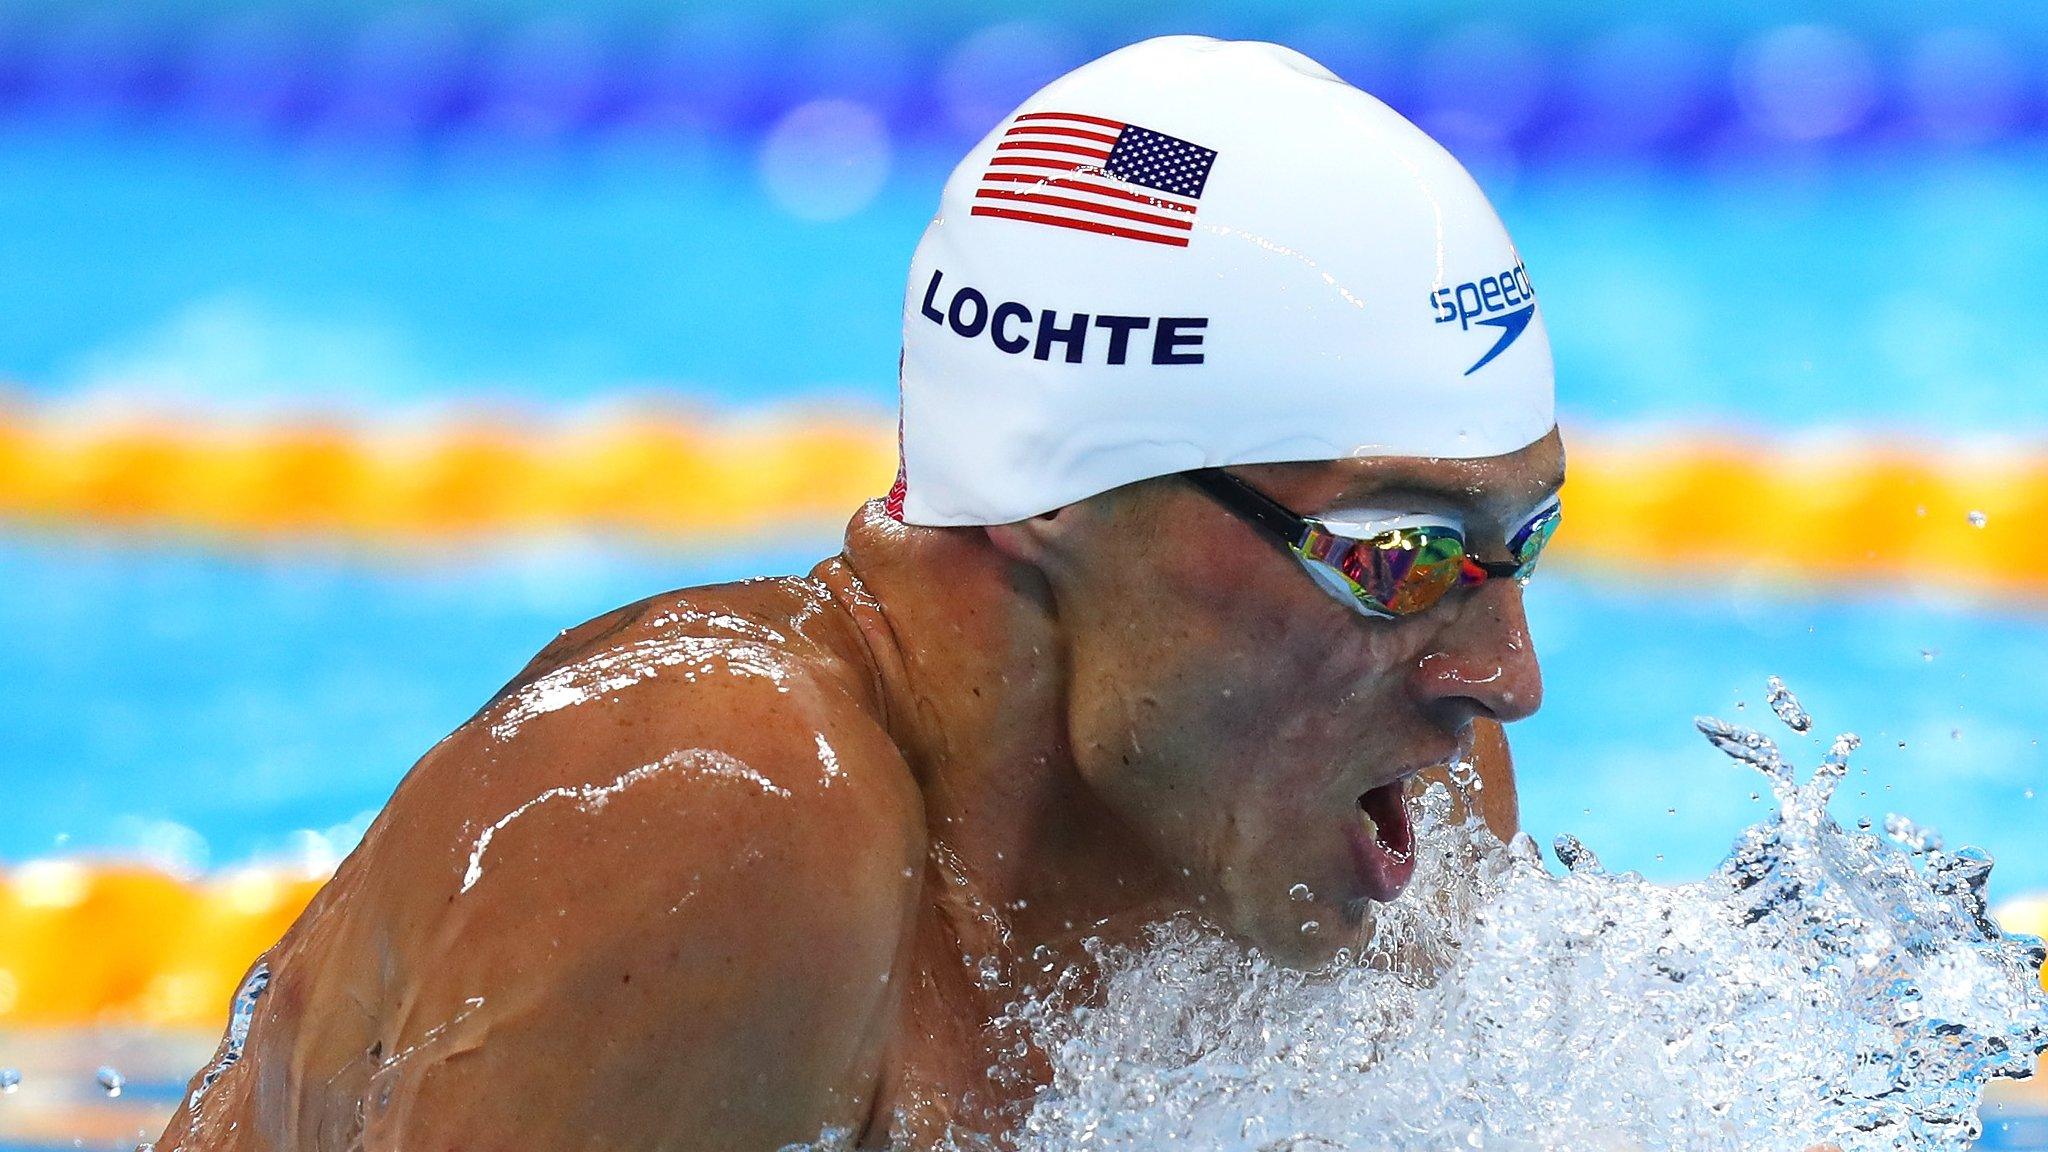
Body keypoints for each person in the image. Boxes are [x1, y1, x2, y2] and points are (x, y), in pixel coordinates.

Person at [152, 35, 1562, 1151]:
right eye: (1402, 554)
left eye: (1522, 544)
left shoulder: (1363, 814)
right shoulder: (715, 818)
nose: (1503, 672)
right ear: (1054, 494)